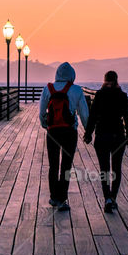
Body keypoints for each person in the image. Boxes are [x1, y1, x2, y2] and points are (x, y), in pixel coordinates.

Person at [39, 62, 89, 211]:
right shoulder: (76, 90)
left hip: (53, 132)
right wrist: (88, 130)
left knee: (53, 165)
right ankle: (62, 199)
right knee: (66, 166)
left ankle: (53, 197)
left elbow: (42, 112)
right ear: (72, 75)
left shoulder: (48, 89)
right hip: (69, 132)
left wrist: (45, 125)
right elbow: (84, 114)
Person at [83, 70, 128, 213]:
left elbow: (92, 116)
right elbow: (127, 119)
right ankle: (113, 198)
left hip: (102, 136)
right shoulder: (122, 96)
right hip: (118, 137)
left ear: (104, 80)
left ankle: (107, 199)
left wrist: (88, 134)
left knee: (104, 169)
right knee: (117, 168)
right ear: (117, 80)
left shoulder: (99, 95)